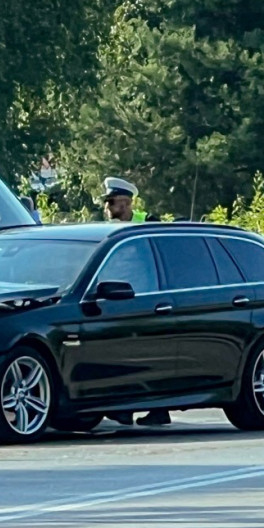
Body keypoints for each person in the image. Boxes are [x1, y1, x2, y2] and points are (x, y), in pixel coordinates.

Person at [101, 176, 170, 426]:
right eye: (106, 202)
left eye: (112, 202)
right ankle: (125, 409)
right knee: (124, 357)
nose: (107, 208)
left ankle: (158, 409)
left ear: (127, 202)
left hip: (148, 299)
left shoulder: (148, 224)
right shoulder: (105, 230)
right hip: (119, 300)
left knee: (150, 356)